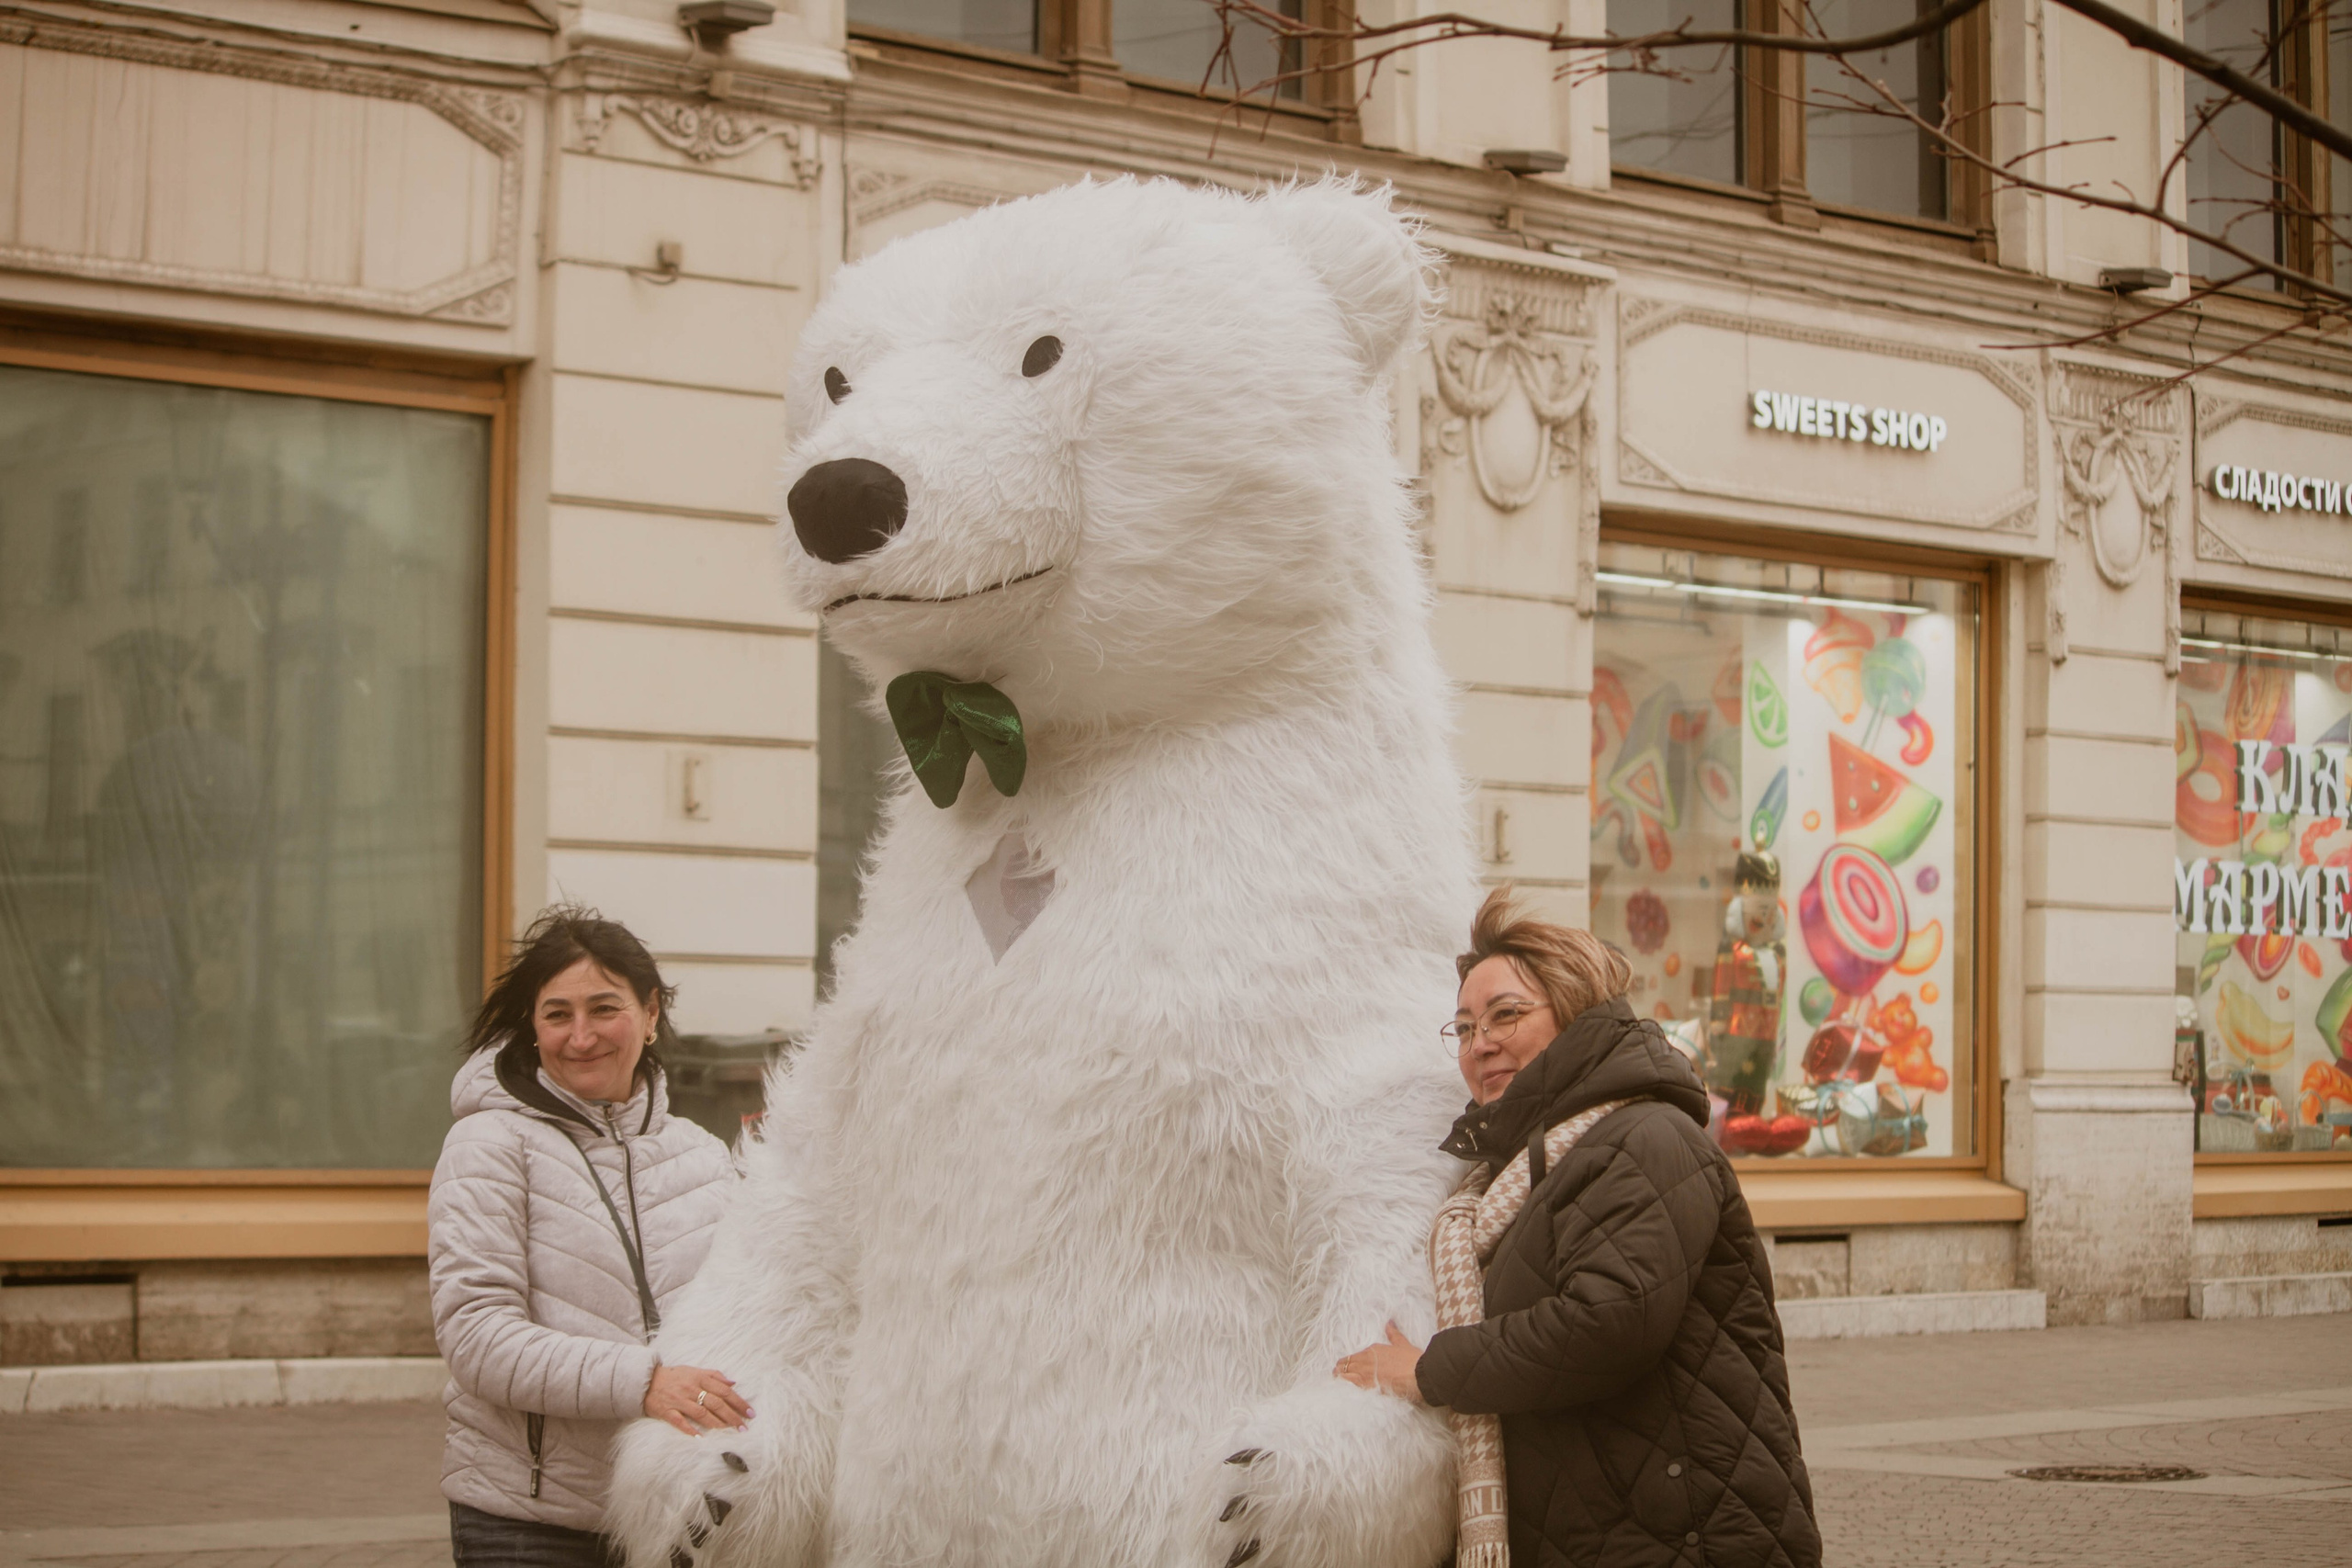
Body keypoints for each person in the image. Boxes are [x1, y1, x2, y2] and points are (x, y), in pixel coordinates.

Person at [1336, 888, 1819, 1568]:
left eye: (1506, 1014)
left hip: (1681, 1538)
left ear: (1574, 1013)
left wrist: (1429, 1370)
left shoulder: (1646, 1138)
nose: (1483, 1043)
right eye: (1466, 1028)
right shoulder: (1511, 1178)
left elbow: (1607, 1322)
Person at [430, 907, 744, 1568]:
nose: (581, 1037)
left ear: (651, 1012)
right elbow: (477, 1337)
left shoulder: (707, 1159)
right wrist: (644, 1381)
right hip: (530, 1521)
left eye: (605, 1008)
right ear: (532, 1024)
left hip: (681, 1513)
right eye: (556, 1014)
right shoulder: (487, 1144)